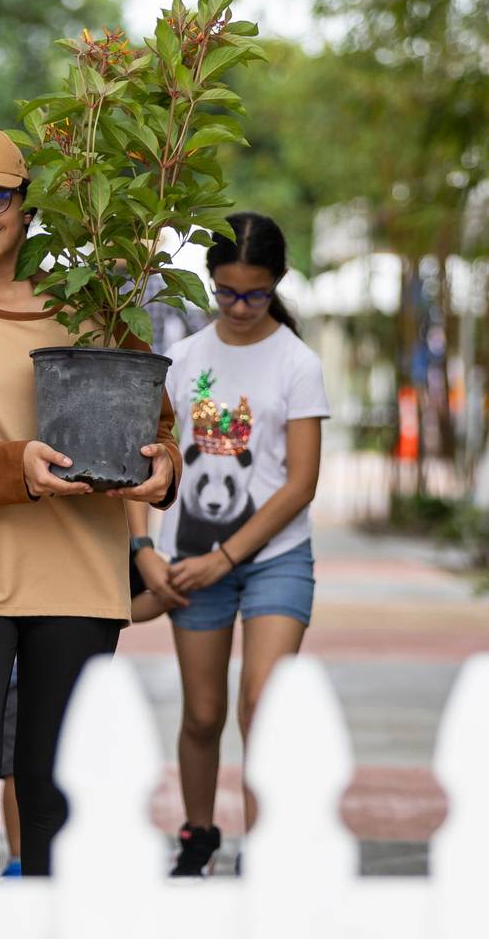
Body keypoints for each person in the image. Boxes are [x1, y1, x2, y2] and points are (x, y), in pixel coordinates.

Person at [0, 128, 181, 877]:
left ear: (29, 203)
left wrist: (162, 469)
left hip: (77, 574)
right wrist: (15, 466)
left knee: (56, 792)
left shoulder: (98, 307)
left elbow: (160, 426)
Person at [128, 212, 329, 876]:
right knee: (205, 714)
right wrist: (144, 551)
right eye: (228, 293)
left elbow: (299, 484)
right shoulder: (182, 360)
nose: (241, 307)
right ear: (210, 282)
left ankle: (265, 850)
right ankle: (200, 834)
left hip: (273, 559)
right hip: (190, 557)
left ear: (278, 285)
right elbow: (148, 462)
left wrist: (229, 556)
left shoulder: (299, 364)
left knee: (262, 705)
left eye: (257, 294)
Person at [0, 501, 169, 879]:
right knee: (17, 768)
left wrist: (158, 577)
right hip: (10, 659)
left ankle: (40, 859)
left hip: (73, 636)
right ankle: (19, 857)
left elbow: (136, 602)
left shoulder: (102, 540)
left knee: (57, 765)